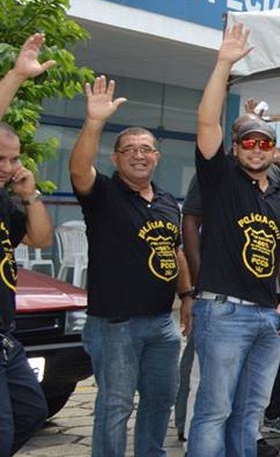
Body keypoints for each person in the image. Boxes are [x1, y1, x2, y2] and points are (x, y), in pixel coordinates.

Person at [190, 23, 280, 456]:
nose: (257, 148)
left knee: (250, 412)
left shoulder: (278, 195)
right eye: (249, 142)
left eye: (265, 143)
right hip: (223, 312)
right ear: (236, 147)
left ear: (274, 150)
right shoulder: (220, 180)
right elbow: (205, 121)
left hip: (267, 315)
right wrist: (223, 65)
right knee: (214, 409)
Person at [69, 75, 191, 457]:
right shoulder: (103, 194)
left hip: (161, 323)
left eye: (147, 149)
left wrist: (187, 296)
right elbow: (77, 170)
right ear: (116, 157)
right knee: (115, 406)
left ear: (157, 156)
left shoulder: (169, 201)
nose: (139, 155)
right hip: (115, 325)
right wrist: (95, 122)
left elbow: (176, 251)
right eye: (130, 149)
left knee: (160, 401)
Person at [0, 33, 53, 455]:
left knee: (32, 412)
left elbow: (39, 238)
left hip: (6, 337)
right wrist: (17, 76)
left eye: (14, 158)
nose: (8, 166)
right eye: (0, 158)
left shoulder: (6, 198)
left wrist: (30, 195)